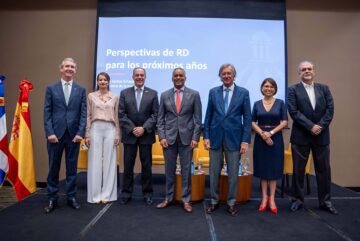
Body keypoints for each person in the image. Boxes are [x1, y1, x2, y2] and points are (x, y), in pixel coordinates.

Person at [288, 60, 337, 215]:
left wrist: (319, 126)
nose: (307, 71)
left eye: (309, 69)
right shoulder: (292, 90)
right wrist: (310, 126)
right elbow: (294, 112)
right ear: (299, 73)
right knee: (298, 170)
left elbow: (330, 109)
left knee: (324, 170)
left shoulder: (324, 89)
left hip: (321, 136)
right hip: (300, 136)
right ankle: (298, 200)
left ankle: (325, 201)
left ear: (314, 71)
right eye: (303, 69)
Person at [203, 63, 251, 216]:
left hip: (234, 140)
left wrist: (245, 141)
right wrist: (206, 137)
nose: (226, 76)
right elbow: (208, 116)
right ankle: (214, 201)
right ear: (220, 76)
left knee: (232, 174)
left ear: (234, 75)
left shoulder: (243, 93)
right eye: (223, 73)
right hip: (215, 138)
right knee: (214, 171)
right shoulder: (213, 92)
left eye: (229, 73)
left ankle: (231, 202)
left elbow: (248, 119)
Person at [43, 57, 86, 213]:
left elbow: (83, 113)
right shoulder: (51, 88)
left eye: (72, 67)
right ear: (61, 69)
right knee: (53, 168)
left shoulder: (80, 90)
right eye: (67, 66)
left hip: (74, 136)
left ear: (75, 70)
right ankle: (52, 198)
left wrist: (80, 133)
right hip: (55, 135)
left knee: (72, 168)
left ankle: (71, 197)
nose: (69, 69)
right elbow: (47, 113)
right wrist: (50, 133)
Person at [156, 68, 202, 213]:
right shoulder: (164, 95)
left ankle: (186, 200)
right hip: (168, 139)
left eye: (181, 75)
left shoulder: (194, 94)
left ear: (185, 78)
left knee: (186, 170)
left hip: (187, 140)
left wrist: (195, 138)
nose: (178, 78)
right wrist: (162, 137)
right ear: (172, 78)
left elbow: (198, 120)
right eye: (176, 76)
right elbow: (160, 119)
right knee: (169, 170)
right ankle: (168, 198)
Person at [119, 67, 159, 205]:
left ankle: (147, 193)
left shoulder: (153, 93)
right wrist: (132, 128)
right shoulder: (124, 93)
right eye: (137, 75)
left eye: (142, 75)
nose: (139, 77)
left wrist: (144, 128)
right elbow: (121, 114)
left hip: (146, 135)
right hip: (129, 135)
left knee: (146, 166)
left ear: (145, 77)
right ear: (133, 77)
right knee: (128, 166)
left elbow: (155, 115)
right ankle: (126, 193)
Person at [251, 78, 288, 214]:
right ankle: (264, 198)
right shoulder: (256, 104)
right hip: (261, 139)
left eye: (271, 86)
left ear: (275, 89)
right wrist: (262, 134)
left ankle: (272, 199)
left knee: (273, 171)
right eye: (266, 86)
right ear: (262, 88)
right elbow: (252, 121)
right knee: (263, 170)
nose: (268, 88)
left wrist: (270, 133)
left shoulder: (280, 103)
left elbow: (284, 122)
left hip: (276, 139)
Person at [85, 72, 120, 204]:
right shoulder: (91, 96)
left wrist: (117, 134)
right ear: (97, 82)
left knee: (109, 162)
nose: (103, 82)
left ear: (109, 82)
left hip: (110, 129)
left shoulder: (115, 97)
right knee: (94, 161)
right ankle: (94, 196)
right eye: (100, 80)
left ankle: (107, 195)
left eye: (105, 80)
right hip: (95, 128)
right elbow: (88, 115)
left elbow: (117, 117)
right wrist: (87, 134)